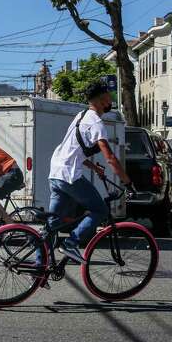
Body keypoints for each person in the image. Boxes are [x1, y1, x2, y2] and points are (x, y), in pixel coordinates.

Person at [46, 82, 133, 264]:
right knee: (99, 209)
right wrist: (127, 182)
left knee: (52, 224)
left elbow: (71, 149)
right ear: (102, 100)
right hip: (69, 175)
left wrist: (93, 167)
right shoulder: (96, 122)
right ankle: (71, 243)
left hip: (56, 172)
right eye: (109, 96)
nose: (111, 99)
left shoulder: (81, 115)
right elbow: (110, 157)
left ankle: (40, 266)